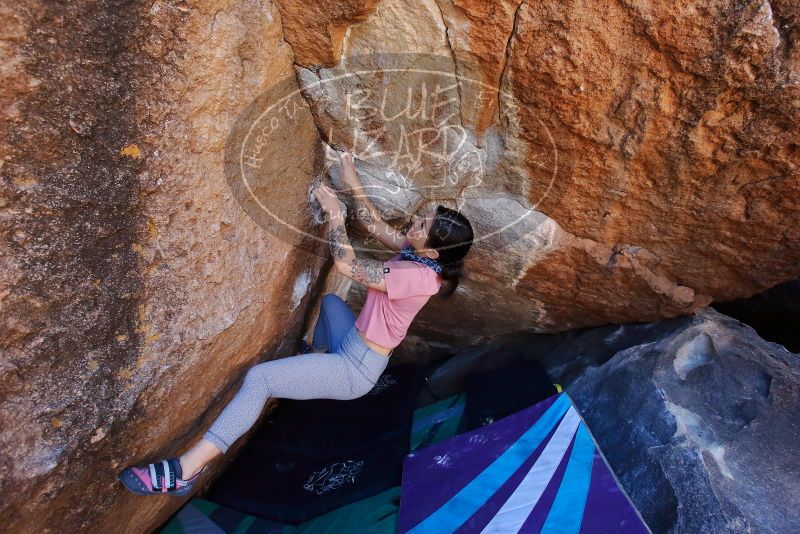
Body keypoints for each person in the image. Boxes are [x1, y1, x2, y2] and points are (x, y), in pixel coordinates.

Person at [119, 152, 474, 496]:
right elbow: (375, 224)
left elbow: (348, 267)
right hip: (353, 344)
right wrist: (350, 179)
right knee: (333, 303)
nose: (415, 222)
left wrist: (336, 215)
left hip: (354, 370)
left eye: (423, 225)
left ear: (432, 253)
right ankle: (315, 358)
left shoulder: (418, 277)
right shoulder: (422, 257)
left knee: (260, 379)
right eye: (423, 217)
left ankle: (185, 471)